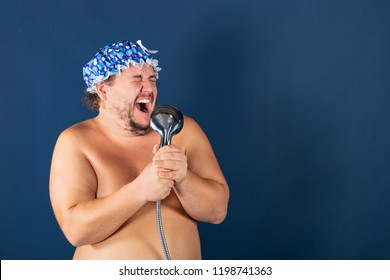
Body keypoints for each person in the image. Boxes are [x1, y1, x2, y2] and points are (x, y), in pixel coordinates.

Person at [49, 40, 229, 260]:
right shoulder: (76, 142)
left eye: (152, 79)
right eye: (137, 79)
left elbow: (217, 212)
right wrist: (140, 190)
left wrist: (183, 178)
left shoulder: (181, 131)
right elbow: (76, 230)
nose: (150, 88)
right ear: (103, 90)